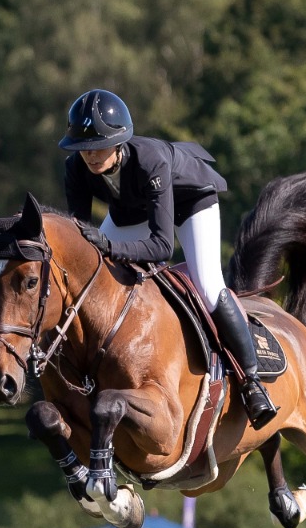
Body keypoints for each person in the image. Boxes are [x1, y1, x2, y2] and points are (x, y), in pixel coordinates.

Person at [59, 88, 278, 430]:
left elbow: (161, 246)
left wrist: (110, 247)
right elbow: (81, 241)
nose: (90, 155)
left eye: (98, 146)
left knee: (207, 284)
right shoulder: (76, 168)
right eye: (83, 148)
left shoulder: (150, 159)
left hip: (191, 203)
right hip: (132, 209)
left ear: (119, 141)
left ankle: (252, 382)